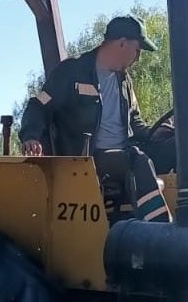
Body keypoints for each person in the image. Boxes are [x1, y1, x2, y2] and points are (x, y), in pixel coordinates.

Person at [19, 15, 175, 222]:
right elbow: (38, 106)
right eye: (137, 50)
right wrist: (30, 136)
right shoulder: (72, 71)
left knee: (179, 147)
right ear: (121, 43)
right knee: (136, 159)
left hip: (124, 151)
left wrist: (157, 133)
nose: (138, 58)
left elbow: (135, 123)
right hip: (89, 158)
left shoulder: (124, 80)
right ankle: (161, 228)